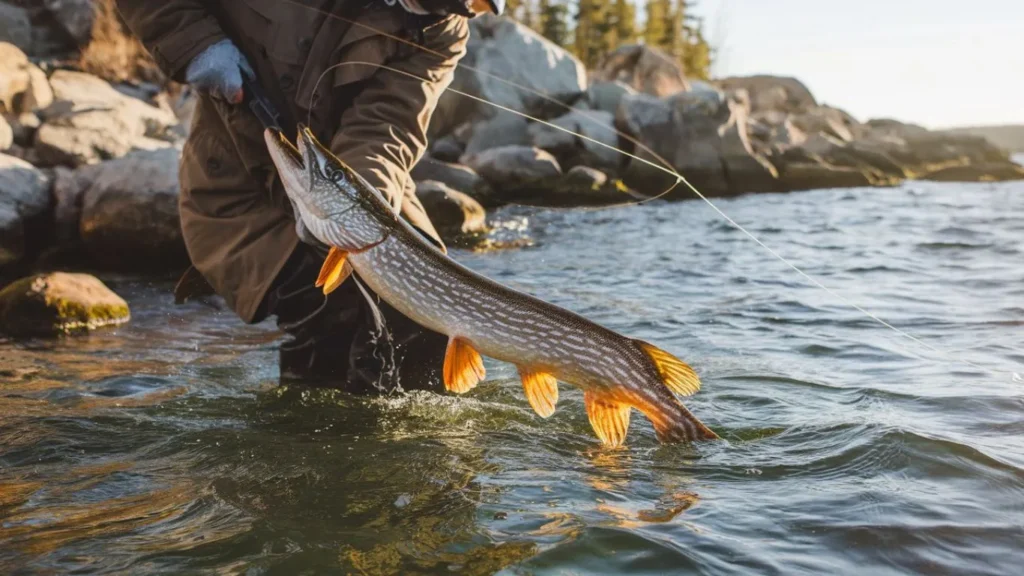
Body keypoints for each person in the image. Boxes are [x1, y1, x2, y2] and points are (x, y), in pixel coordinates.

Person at [115, 0, 502, 392]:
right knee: (331, 316)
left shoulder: (445, 26)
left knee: (428, 327)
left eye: (478, 4)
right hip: (242, 189)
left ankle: (428, 448)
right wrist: (193, 42)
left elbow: (385, 128)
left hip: (358, 184)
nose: (466, 8)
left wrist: (360, 202)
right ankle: (311, 446)